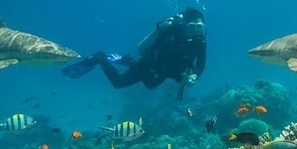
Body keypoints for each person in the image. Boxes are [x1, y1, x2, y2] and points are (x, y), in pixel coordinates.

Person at [62, 8, 207, 100]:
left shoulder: (200, 41)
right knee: (118, 83)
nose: (196, 32)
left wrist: (195, 75)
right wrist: (180, 76)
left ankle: (128, 61)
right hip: (148, 65)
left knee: (150, 85)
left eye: (199, 28)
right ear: (184, 26)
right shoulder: (171, 37)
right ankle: (100, 58)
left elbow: (201, 64)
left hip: (165, 72)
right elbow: (162, 65)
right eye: (192, 27)